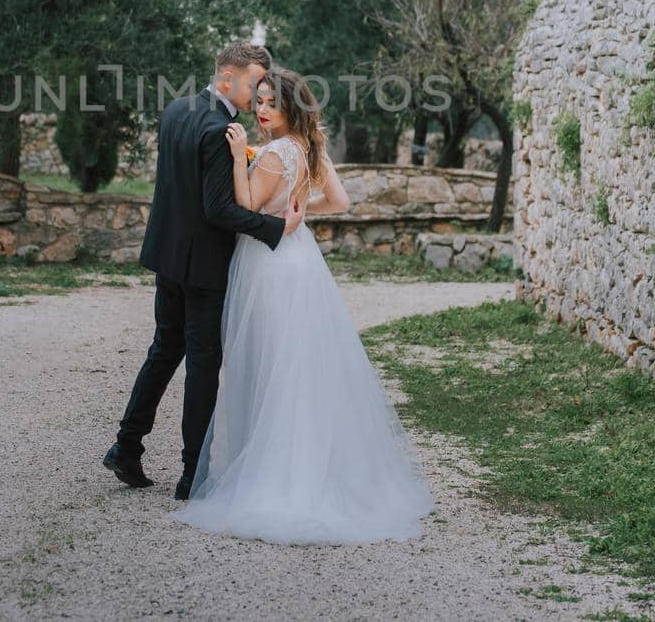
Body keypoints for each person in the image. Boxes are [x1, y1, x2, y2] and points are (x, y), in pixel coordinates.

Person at [172, 67, 433, 544]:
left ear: (292, 107)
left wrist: (237, 157)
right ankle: (309, 466)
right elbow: (342, 201)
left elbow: (247, 204)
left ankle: (277, 475)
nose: (263, 108)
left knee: (270, 364)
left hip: (269, 263)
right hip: (301, 259)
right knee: (297, 364)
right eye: (261, 100)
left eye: (272, 101)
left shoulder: (272, 153)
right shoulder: (311, 148)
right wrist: (301, 211)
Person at [104, 41, 304, 501]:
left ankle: (126, 445)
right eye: (255, 84)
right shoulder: (220, 128)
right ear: (228, 77)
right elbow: (218, 209)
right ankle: (193, 474)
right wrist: (277, 226)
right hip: (203, 266)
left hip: (166, 254)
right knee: (202, 364)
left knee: (163, 349)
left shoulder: (177, 109)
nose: (258, 94)